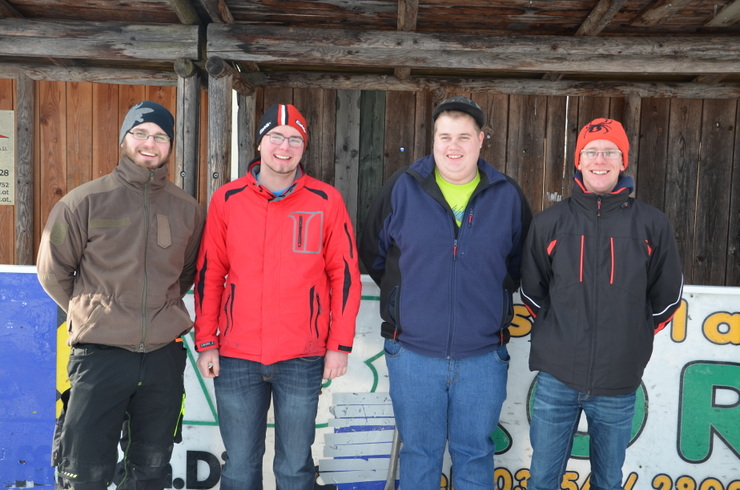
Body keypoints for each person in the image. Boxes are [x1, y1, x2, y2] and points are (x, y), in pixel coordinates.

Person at [360, 95, 532, 489]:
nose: (454, 147)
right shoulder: (403, 188)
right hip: (413, 353)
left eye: (464, 137)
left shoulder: (506, 194)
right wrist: (408, 300)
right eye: (445, 137)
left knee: (475, 453)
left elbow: (518, 264)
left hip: (482, 357)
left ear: (481, 140)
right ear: (433, 140)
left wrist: (486, 299)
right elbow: (374, 254)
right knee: (420, 454)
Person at [37, 100, 205, 489]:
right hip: (100, 356)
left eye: (160, 136)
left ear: (170, 145)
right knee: (84, 471)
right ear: (124, 139)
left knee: (151, 470)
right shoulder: (81, 202)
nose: (150, 143)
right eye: (140, 133)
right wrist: (95, 313)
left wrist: (155, 311)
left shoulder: (188, 210)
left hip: (162, 358)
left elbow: (186, 272)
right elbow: (52, 270)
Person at [193, 103, 362, 490]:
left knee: (295, 466)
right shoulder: (227, 199)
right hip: (237, 356)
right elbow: (209, 274)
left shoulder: (325, 200)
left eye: (294, 140)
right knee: (239, 466)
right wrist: (206, 342)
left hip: (302, 356)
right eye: (276, 137)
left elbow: (345, 276)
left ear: (304, 148)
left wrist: (339, 345)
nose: (284, 147)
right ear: (259, 143)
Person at [520, 118, 684, 490]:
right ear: (578, 160)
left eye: (610, 152)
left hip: (618, 381)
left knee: (608, 482)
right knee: (543, 479)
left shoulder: (652, 224)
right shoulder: (549, 223)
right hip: (556, 378)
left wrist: (633, 337)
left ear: (623, 161)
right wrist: (558, 335)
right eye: (591, 152)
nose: (600, 160)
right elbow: (532, 291)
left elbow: (668, 295)